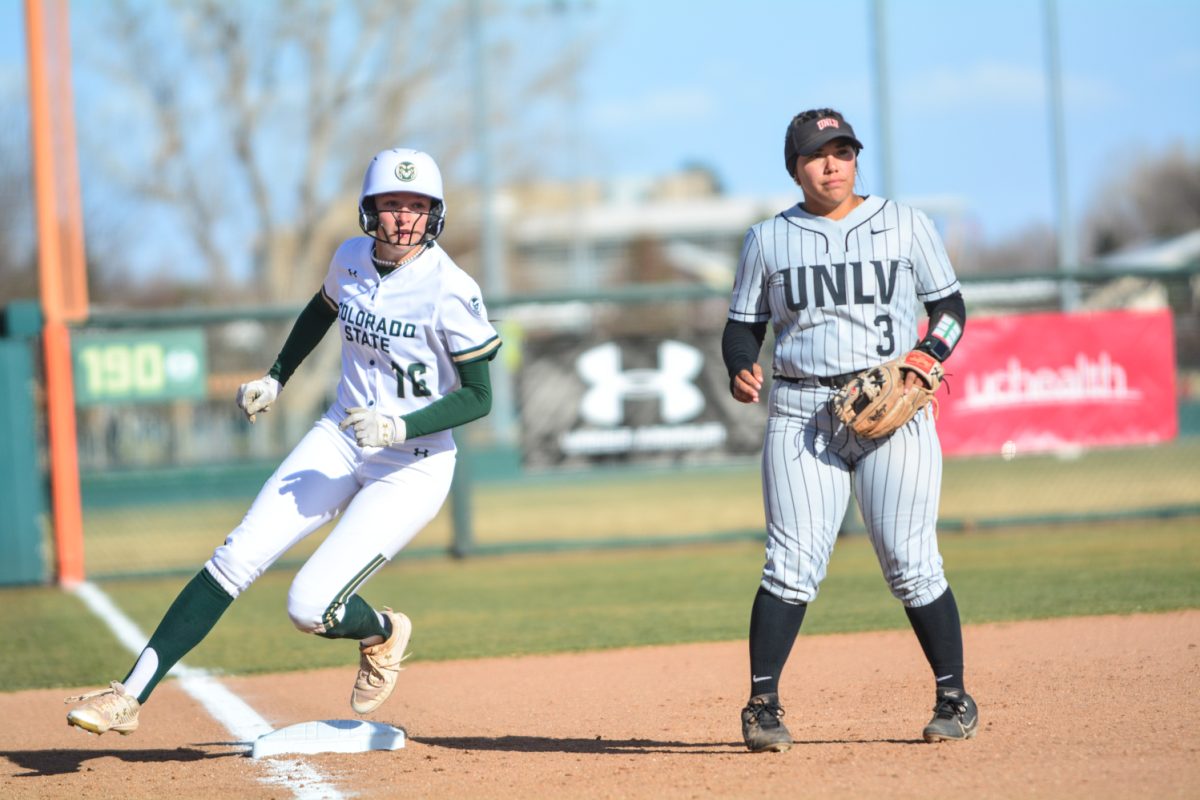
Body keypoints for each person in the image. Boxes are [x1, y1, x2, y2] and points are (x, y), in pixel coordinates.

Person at [65, 148, 501, 736]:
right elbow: (320, 311)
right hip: (342, 436)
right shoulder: (350, 258)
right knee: (236, 555)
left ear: (435, 213)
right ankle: (128, 695)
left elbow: (480, 396)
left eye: (417, 205)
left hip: (414, 464)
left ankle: (383, 632)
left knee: (308, 607)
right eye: (392, 204)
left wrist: (401, 426)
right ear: (370, 210)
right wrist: (276, 375)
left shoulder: (452, 288)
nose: (404, 217)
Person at [721, 109, 975, 753]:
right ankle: (762, 706)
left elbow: (949, 308)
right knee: (791, 564)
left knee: (912, 562)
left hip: (896, 406)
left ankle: (953, 696)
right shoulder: (768, 239)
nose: (832, 164)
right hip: (802, 412)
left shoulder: (907, 224)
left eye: (842, 150)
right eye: (816, 154)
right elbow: (743, 324)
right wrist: (738, 363)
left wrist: (929, 356)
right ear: (796, 167)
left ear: (856, 158)